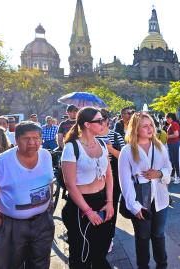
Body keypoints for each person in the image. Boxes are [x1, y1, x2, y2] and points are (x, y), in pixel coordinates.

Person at [0, 121, 55, 269]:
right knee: (8, 264)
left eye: (36, 138)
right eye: (26, 138)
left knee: (40, 263)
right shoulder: (3, 161)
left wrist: (50, 200)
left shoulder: (46, 155)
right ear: (16, 140)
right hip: (12, 225)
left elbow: (49, 181)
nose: (32, 142)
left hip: (42, 222)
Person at [60, 107, 114, 268]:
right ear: (87, 124)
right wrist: (88, 211)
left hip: (102, 200)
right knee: (81, 253)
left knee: (101, 249)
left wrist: (110, 202)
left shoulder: (103, 144)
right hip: (80, 205)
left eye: (103, 120)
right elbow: (70, 184)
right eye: (99, 121)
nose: (103, 123)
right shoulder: (72, 147)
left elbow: (109, 175)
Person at [119, 112, 172, 269]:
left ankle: (162, 265)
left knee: (159, 234)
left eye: (151, 125)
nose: (150, 129)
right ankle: (143, 266)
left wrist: (160, 173)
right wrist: (134, 206)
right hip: (140, 200)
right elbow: (125, 181)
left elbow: (168, 166)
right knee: (142, 237)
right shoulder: (127, 151)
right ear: (135, 128)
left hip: (161, 198)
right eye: (145, 126)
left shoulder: (159, 146)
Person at [96, 108, 125, 252]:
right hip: (94, 181)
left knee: (111, 207)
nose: (97, 124)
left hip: (113, 179)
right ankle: (98, 234)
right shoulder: (89, 137)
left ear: (106, 121)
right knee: (96, 207)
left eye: (99, 120)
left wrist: (110, 149)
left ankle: (109, 237)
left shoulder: (116, 136)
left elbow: (125, 157)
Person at [165, 112, 180, 183]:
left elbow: (176, 134)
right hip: (172, 144)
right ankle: (172, 176)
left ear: (170, 118)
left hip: (174, 144)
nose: (166, 120)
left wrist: (167, 136)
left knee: (175, 161)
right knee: (172, 161)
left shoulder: (174, 124)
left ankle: (178, 177)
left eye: (166, 118)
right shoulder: (172, 124)